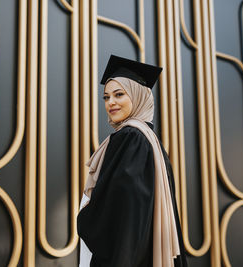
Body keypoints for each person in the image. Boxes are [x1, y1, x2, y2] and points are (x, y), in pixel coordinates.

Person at [77, 55, 187, 267]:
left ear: (137, 97)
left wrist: (86, 217)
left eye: (119, 94)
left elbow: (125, 205)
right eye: (106, 97)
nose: (111, 103)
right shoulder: (149, 139)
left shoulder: (131, 137)